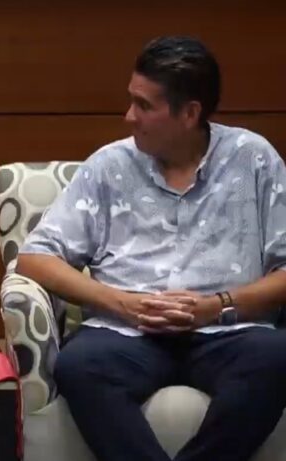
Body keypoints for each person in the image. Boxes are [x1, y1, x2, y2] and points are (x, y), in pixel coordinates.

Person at [18, 35, 286, 461]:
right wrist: (122, 304)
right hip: (128, 332)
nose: (129, 116)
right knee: (80, 366)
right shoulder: (110, 165)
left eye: (143, 105)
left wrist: (215, 307)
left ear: (190, 113)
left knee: (276, 358)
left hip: (228, 330)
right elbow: (35, 258)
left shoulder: (253, 159)